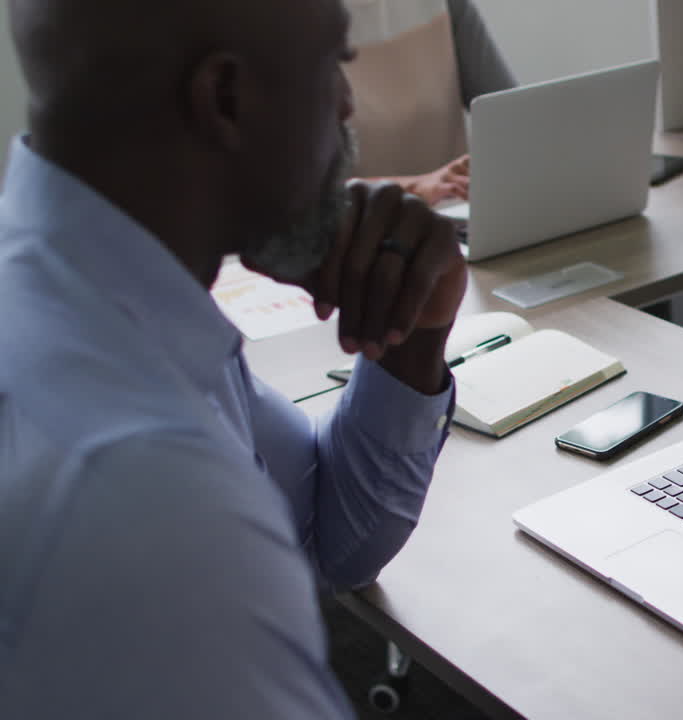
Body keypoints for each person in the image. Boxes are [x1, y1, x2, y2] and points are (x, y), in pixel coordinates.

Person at [0, 0, 466, 716]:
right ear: (225, 99)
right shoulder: (151, 503)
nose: (348, 107)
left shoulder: (92, 290)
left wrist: (414, 330)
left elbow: (324, 542)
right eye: (336, 64)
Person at [344, 0, 515, 205]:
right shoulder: (302, 22)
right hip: (356, 232)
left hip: (456, 218)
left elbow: (513, 122)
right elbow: (304, 198)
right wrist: (416, 186)